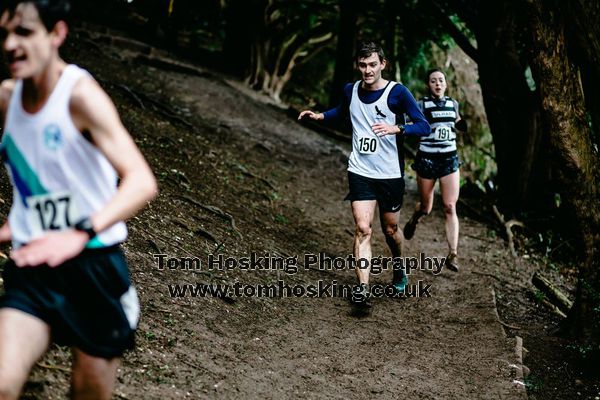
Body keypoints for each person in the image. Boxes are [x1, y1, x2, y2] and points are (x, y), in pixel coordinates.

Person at [0, 1, 157, 398]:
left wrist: (77, 232)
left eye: (24, 32)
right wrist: (13, 227)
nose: (10, 44)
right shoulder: (6, 99)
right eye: (3, 33)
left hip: (93, 270)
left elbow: (141, 181)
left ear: (57, 34)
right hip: (34, 266)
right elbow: (38, 182)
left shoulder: (80, 96)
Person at [299, 41, 430, 303]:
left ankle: (399, 267)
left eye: (372, 65)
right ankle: (363, 288)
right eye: (362, 65)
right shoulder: (351, 90)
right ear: (357, 65)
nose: (367, 70)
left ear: (382, 64)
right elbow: (341, 111)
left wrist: (399, 129)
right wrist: (319, 116)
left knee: (391, 230)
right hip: (360, 170)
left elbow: (423, 126)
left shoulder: (398, 93)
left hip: (390, 174)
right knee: (362, 228)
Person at [402, 68, 467, 272]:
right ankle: (415, 218)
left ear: (446, 83)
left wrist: (462, 124)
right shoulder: (421, 104)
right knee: (427, 207)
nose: (437, 84)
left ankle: (453, 254)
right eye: (433, 81)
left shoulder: (453, 104)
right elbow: (409, 121)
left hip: (449, 159)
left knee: (449, 206)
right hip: (427, 159)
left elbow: (457, 121)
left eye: (440, 80)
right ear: (428, 85)